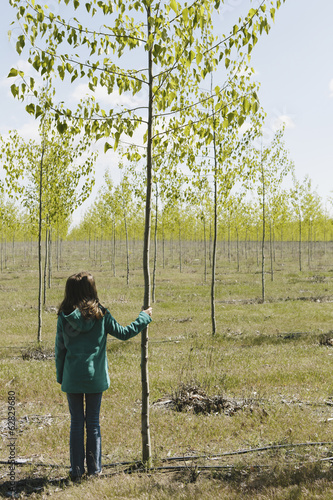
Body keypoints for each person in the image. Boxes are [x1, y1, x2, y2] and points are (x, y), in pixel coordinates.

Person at [55, 271, 152, 480]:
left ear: (69, 292)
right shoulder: (101, 315)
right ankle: (95, 469)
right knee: (93, 423)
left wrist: (61, 376)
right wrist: (144, 317)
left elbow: (60, 349)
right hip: (95, 379)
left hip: (72, 378)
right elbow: (125, 333)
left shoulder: (64, 317)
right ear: (92, 290)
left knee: (76, 423)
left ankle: (76, 471)